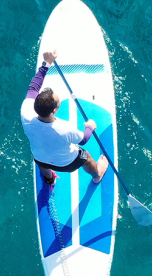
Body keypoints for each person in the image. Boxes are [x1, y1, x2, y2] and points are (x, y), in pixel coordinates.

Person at [20, 50, 108, 186]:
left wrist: (46, 64)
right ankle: (97, 174)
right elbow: (83, 139)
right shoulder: (64, 128)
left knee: (42, 162)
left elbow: (33, 87)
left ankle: (50, 179)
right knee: (87, 157)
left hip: (40, 158)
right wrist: (90, 126)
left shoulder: (26, 113)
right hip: (67, 163)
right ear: (54, 110)